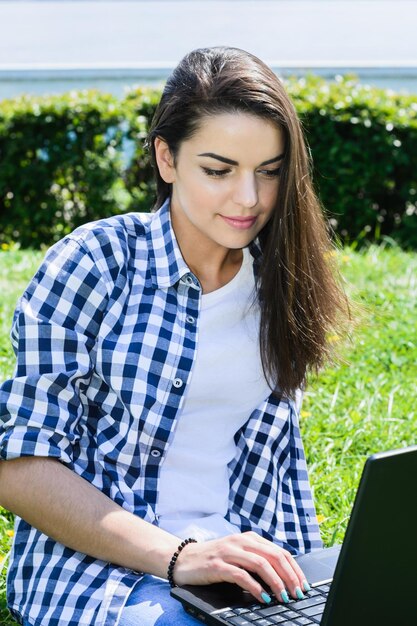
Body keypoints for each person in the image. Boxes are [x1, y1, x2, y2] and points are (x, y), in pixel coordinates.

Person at [0, 46, 348, 626]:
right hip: (103, 572)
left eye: (269, 170)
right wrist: (180, 556)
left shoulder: (280, 279)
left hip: (244, 566)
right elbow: (18, 464)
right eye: (218, 170)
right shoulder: (95, 263)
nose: (249, 198)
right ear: (166, 158)